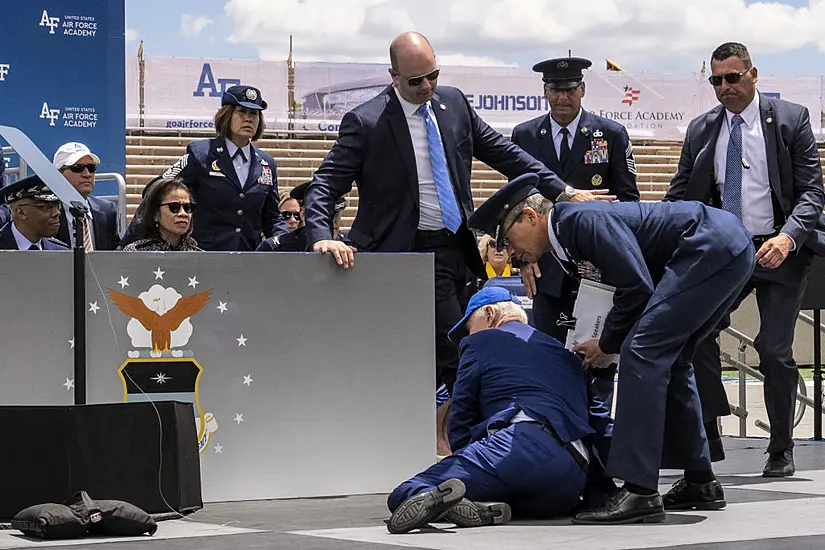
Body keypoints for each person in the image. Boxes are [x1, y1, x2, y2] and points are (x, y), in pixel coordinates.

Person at [303, 31, 612, 395]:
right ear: (394, 76)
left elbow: (506, 155)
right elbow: (324, 185)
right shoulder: (367, 122)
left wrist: (563, 191)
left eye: (433, 75)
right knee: (459, 348)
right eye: (415, 80)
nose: (426, 86)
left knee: (457, 349)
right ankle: (452, 434)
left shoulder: (454, 105)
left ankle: (448, 431)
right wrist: (322, 235)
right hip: (405, 253)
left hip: (457, 250)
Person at [470, 172, 756, 524]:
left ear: (530, 217)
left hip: (709, 245)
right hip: (724, 245)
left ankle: (640, 491)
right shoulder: (567, 238)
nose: (511, 252)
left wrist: (608, 345)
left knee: (642, 352)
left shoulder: (578, 221)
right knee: (674, 358)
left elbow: (635, 287)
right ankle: (700, 480)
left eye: (508, 239)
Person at [665, 42, 825, 476]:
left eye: (732, 78)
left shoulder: (791, 120)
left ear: (753, 75)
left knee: (774, 351)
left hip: (781, 251)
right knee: (693, 336)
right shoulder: (702, 130)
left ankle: (780, 447)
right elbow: (679, 196)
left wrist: (789, 238)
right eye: (716, 80)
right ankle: (709, 433)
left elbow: (812, 193)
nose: (724, 87)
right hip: (726, 251)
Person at [386, 286, 597, 534]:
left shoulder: (478, 342)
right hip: (572, 475)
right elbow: (600, 422)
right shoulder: (566, 353)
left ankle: (445, 501)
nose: (469, 333)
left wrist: (464, 459)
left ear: (488, 313)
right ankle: (482, 508)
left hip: (518, 445)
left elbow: (462, 415)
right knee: (514, 500)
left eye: (469, 326)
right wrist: (605, 491)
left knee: (407, 491)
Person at [511, 56, 640, 409]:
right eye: (555, 90)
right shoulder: (525, 136)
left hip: (598, 270)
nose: (562, 98)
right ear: (545, 92)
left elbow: (629, 202)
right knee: (550, 360)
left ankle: (598, 441)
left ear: (582, 89)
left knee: (597, 363)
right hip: (547, 271)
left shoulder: (609, 135)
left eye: (569, 89)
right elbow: (516, 208)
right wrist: (522, 261)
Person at [122, 85, 287, 251]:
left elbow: (272, 218)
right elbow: (156, 190)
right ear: (227, 115)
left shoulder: (267, 164)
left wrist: (286, 244)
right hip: (203, 260)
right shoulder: (201, 154)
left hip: (249, 259)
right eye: (241, 111)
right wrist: (127, 244)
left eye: (254, 113)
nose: (248, 118)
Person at [51, 142, 121, 251]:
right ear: (58, 174)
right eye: (78, 167)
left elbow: (113, 254)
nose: (87, 174)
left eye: (91, 167)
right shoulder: (46, 213)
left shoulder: (107, 210)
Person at [256, 182, 347, 252]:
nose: (333, 221)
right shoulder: (276, 248)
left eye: (336, 215)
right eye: (323, 215)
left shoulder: (351, 246)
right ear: (303, 214)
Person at [122, 177, 199, 251]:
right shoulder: (135, 252)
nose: (183, 213)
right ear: (155, 214)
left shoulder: (199, 256)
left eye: (187, 207)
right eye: (174, 207)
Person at [0, 175, 69, 250]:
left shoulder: (60, 252)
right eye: (46, 207)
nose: (57, 213)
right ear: (21, 212)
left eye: (57, 206)